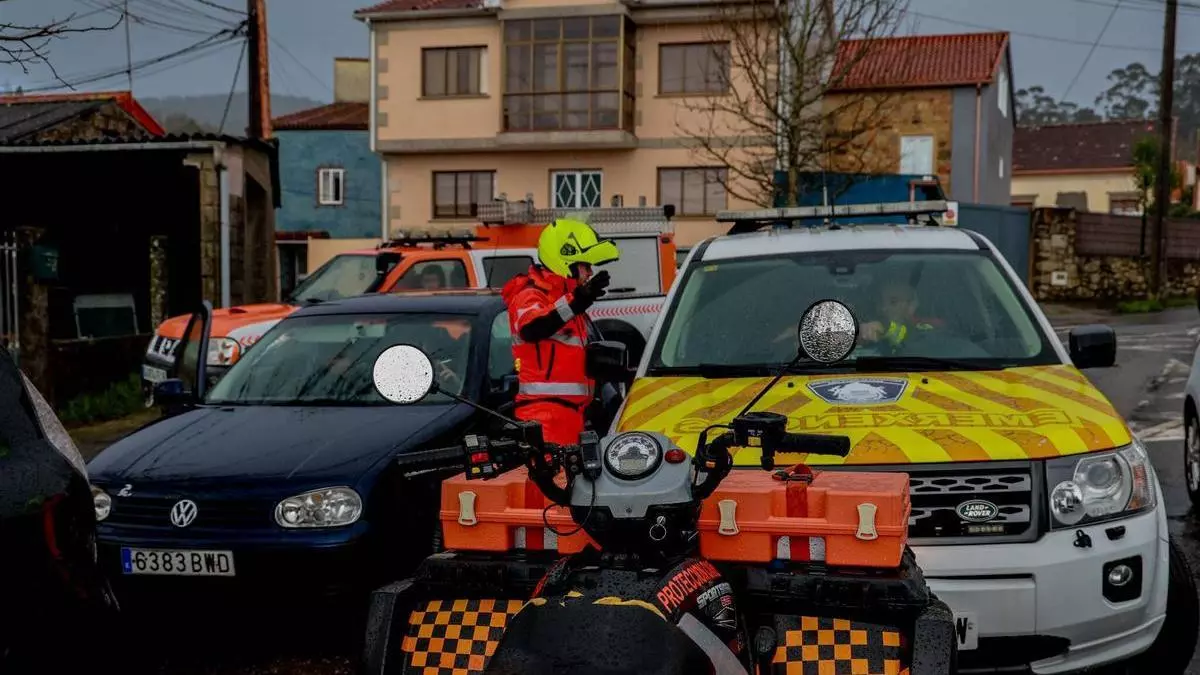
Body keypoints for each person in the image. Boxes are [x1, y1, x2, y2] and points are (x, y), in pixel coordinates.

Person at [500, 218, 619, 446]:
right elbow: (532, 328)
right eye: (585, 265)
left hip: (571, 414)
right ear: (566, 262)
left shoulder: (564, 302)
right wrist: (577, 300)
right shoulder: (530, 295)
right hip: (544, 418)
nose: (590, 272)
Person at [859, 279, 936, 352]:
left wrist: (885, 328)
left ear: (911, 306)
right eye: (881, 301)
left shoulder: (928, 329)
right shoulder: (864, 324)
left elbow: (917, 338)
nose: (883, 308)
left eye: (893, 302)